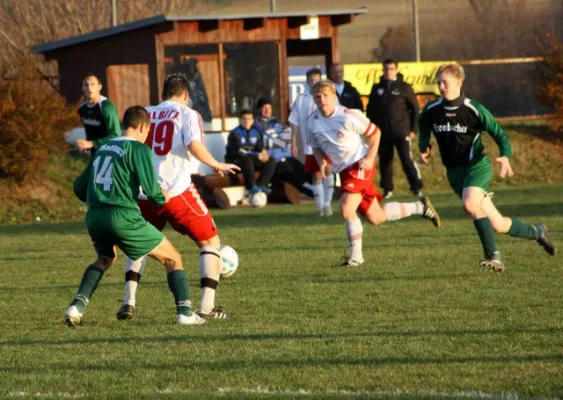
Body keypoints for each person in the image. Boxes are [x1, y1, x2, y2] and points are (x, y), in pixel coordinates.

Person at [64, 106, 205, 327]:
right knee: (173, 258)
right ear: (142, 126)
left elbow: (79, 186)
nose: (147, 135)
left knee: (105, 259)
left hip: (95, 217)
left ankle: (75, 308)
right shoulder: (139, 149)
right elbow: (152, 192)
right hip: (123, 217)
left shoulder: (103, 148)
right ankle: (186, 313)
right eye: (147, 131)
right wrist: (163, 196)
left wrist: (98, 200)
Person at [116, 74, 240, 321]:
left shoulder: (146, 112)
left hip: (143, 194)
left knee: (138, 244)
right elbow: (194, 145)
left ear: (163, 93)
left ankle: (128, 300)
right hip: (175, 192)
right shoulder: (188, 113)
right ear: (186, 95)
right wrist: (215, 164)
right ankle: (206, 307)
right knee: (210, 242)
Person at [418, 64, 557, 272]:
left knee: (470, 204)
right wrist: (424, 147)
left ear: (458, 82)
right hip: (455, 173)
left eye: (444, 82)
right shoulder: (432, 110)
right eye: (438, 82)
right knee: (498, 224)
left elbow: (500, 135)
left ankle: (493, 256)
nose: (441, 86)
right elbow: (423, 126)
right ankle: (538, 232)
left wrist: (505, 156)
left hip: (476, 167)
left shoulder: (474, 110)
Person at [307, 80, 441, 267]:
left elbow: (375, 133)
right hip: (344, 172)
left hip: (360, 166)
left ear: (334, 96)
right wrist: (322, 161)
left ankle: (356, 257)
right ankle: (421, 207)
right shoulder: (312, 121)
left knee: (346, 208)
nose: (322, 100)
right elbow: (315, 146)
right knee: (376, 217)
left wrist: (370, 158)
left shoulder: (348, 115)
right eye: (317, 97)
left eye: (326, 96)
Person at [366, 58, 422, 199]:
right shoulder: (377, 88)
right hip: (382, 132)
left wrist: (413, 129)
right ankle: (387, 190)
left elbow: (415, 109)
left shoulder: (404, 87)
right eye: (386, 69)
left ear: (396, 70)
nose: (389, 71)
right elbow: (370, 110)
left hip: (401, 131)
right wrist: (372, 130)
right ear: (383, 70)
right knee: (385, 161)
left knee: (406, 159)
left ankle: (416, 187)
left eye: (391, 69)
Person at [289, 68, 335, 216]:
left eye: (317, 79)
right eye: (311, 80)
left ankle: (328, 205)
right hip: (310, 143)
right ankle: (320, 207)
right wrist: (294, 142)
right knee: (316, 174)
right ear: (307, 81)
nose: (314, 82)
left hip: (326, 140)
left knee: (328, 170)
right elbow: (294, 121)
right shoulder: (301, 98)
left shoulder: (329, 96)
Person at [253, 97, 313, 197]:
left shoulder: (275, 121)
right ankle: (312, 193)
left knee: (303, 168)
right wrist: (279, 139)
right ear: (259, 109)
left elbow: (289, 135)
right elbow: (267, 141)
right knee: (293, 174)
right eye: (264, 108)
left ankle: (321, 190)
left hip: (287, 155)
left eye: (269, 108)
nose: (267, 110)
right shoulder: (256, 124)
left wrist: (276, 139)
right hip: (274, 161)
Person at [225, 109, 277, 195]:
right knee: (247, 160)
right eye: (244, 119)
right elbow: (239, 151)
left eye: (249, 119)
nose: (247, 121)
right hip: (236, 161)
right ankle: (251, 186)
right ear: (240, 120)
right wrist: (257, 155)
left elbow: (260, 148)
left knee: (271, 160)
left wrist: (264, 155)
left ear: (253, 120)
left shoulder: (256, 132)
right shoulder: (234, 133)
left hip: (252, 160)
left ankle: (262, 185)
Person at [76, 73, 121, 155]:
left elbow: (115, 135)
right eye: (86, 85)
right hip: (94, 155)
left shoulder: (107, 107)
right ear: (83, 88)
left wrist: (92, 143)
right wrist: (85, 146)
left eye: (92, 84)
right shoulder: (81, 109)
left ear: (99, 87)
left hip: (111, 154)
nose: (89, 87)